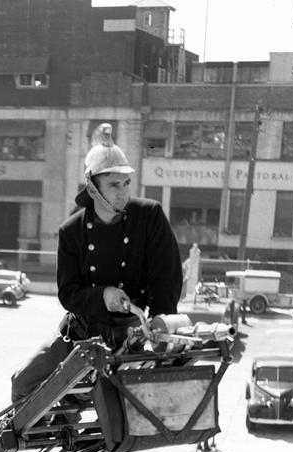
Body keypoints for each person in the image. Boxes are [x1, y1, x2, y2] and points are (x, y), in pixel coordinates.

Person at [11, 122, 183, 404]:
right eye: (114, 184)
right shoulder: (71, 231)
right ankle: (59, 427)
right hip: (80, 333)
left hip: (133, 333)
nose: (123, 192)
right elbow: (68, 294)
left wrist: (162, 325)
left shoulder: (149, 216)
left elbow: (166, 279)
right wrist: (103, 296)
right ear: (91, 188)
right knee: (23, 383)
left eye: (126, 183)